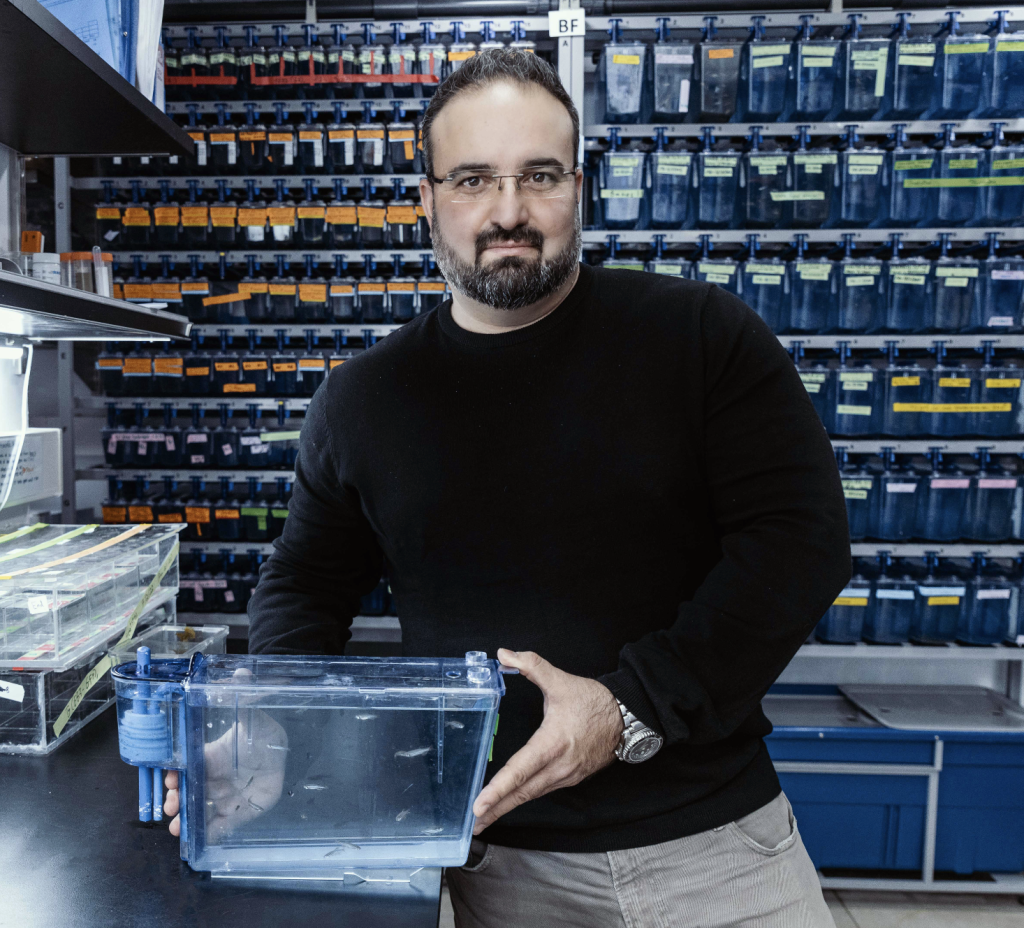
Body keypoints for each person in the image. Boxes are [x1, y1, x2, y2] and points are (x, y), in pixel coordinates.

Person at [164, 49, 850, 927]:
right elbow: (305, 582)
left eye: (539, 176)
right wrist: (276, 723)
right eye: (473, 179)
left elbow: (800, 542)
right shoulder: (365, 397)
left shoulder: (700, 336)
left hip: (712, 854)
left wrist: (629, 706)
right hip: (491, 865)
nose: (508, 212)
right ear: (427, 200)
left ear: (578, 188)